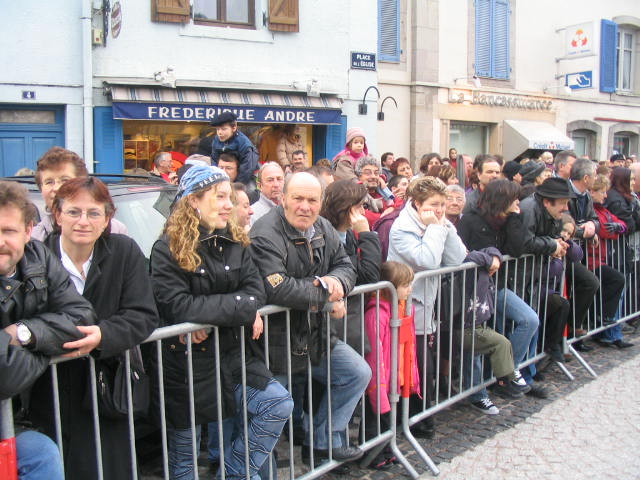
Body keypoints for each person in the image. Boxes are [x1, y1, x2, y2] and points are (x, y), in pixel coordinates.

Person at [150, 165, 293, 480]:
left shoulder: (235, 240)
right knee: (185, 461)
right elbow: (177, 303)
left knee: (278, 404)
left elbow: (255, 293)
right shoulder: (167, 248)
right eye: (221, 197)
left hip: (231, 356)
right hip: (185, 367)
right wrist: (231, 309)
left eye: (230, 197)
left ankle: (233, 475)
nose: (230, 204)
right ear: (193, 201)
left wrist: (206, 314)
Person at [30, 177, 158, 480]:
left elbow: (142, 315)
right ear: (58, 215)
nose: (83, 221)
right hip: (50, 389)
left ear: (107, 218)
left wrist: (104, 335)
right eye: (74, 212)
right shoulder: (37, 256)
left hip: (106, 389)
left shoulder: (124, 251)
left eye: (93, 213)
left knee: (108, 467)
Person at [249, 172, 370, 465]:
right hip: (275, 341)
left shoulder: (324, 227)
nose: (305, 206)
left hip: (314, 335)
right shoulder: (265, 233)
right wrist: (327, 291)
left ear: (321, 202)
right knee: (273, 411)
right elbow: (277, 287)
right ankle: (253, 466)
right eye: (298, 198)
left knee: (357, 373)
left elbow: (346, 266)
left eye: (312, 200)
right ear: (283, 199)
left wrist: (336, 283)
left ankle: (323, 440)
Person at [0, 180, 95, 479]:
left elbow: (81, 317)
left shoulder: (39, 258)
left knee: (42, 454)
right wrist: (46, 350)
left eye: (8, 231)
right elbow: (4, 374)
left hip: (17, 418)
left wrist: (26, 333)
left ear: (28, 231)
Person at [387, 177, 467, 437]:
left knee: (424, 365)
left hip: (425, 308)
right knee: (414, 366)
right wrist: (435, 228)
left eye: (443, 204)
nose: (440, 210)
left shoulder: (437, 223)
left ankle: (421, 416)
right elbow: (429, 260)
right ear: (418, 203)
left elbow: (457, 258)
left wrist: (443, 226)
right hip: (405, 309)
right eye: (434, 204)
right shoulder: (401, 229)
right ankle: (412, 419)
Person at [456, 179, 545, 398]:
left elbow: (516, 249)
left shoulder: (508, 220)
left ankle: (507, 372)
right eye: (513, 199)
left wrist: (514, 218)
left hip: (500, 287)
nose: (518, 203)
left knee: (529, 319)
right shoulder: (471, 220)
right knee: (478, 343)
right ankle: (482, 390)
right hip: (474, 290)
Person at [520, 178, 600, 352]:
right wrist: (553, 244)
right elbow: (525, 242)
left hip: (540, 275)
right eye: (563, 203)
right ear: (547, 202)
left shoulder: (551, 212)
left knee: (559, 305)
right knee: (534, 317)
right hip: (524, 277)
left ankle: (545, 354)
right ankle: (532, 362)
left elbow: (560, 233)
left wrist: (563, 240)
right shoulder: (529, 209)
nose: (566, 208)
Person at [363, 261, 419, 467]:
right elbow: (374, 356)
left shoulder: (400, 310)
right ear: (389, 287)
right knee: (376, 420)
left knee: (389, 418)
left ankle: (387, 449)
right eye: (405, 285)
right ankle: (372, 455)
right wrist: (379, 387)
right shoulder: (376, 314)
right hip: (380, 379)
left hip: (393, 376)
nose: (410, 289)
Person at [320, 180, 381, 351]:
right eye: (360, 206)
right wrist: (366, 234)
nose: (363, 212)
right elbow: (369, 275)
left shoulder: (347, 233)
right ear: (346, 207)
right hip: (334, 326)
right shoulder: (325, 235)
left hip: (350, 322)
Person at [32, 146, 128, 241]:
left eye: (65, 180)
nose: (56, 188)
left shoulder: (116, 231)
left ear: (82, 183)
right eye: (49, 182)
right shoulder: (35, 239)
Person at [587, 175, 633, 348]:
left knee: (616, 281)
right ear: (593, 191)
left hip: (601, 258)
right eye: (602, 192)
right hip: (592, 260)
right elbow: (606, 230)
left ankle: (607, 320)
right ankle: (603, 316)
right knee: (617, 279)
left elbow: (623, 224)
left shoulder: (603, 210)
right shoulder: (592, 209)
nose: (605, 196)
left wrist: (618, 227)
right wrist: (616, 229)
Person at [209, 112, 260, 186]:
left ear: (234, 128)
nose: (219, 132)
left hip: (247, 177)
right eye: (217, 129)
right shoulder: (216, 140)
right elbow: (214, 161)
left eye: (224, 129)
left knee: (251, 191)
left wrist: (236, 186)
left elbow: (247, 169)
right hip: (224, 177)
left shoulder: (244, 144)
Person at [355, 156, 395, 228]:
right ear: (358, 176)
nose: (373, 176)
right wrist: (388, 216)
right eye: (367, 173)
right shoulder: (354, 195)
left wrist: (393, 208)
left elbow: (400, 205)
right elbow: (365, 216)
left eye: (376, 173)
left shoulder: (384, 193)